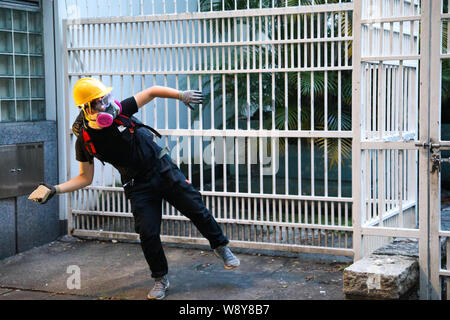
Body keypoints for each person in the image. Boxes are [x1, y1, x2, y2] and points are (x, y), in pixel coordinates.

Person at [28, 77, 240, 300]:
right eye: (98, 102)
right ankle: (160, 279)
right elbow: (85, 178)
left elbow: (152, 91)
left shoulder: (120, 110)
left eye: (105, 98)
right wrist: (55, 189)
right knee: (147, 233)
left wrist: (180, 95)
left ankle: (220, 247)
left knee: (196, 208)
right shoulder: (85, 140)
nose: (105, 105)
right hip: (137, 185)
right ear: (86, 108)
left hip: (162, 169)